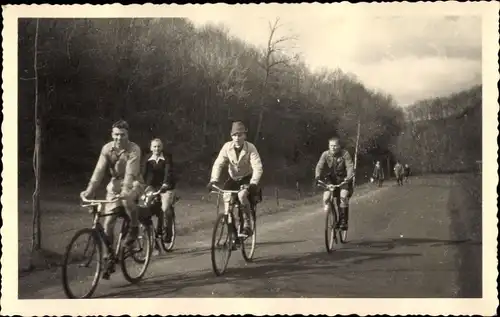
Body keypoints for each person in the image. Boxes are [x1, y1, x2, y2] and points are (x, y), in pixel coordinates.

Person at [81, 120, 145, 277]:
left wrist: (125, 191)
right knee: (108, 222)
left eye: (122, 135)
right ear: (112, 134)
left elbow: (130, 173)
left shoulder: (134, 149)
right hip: (115, 184)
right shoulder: (107, 149)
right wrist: (89, 191)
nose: (119, 138)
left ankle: (134, 228)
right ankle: (109, 255)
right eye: (116, 134)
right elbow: (98, 172)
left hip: (134, 183)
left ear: (127, 135)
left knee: (126, 199)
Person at [207, 121, 263, 236]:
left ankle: (247, 224)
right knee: (227, 202)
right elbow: (219, 163)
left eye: (240, 135)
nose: (237, 138)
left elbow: (258, 167)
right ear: (231, 136)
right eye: (234, 135)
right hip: (233, 179)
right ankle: (232, 233)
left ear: (244, 136)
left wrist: (253, 183)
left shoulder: (251, 148)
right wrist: (213, 180)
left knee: (242, 196)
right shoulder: (227, 147)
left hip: (247, 178)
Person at [315, 137, 354, 230]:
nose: (333, 148)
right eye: (331, 146)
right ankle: (333, 216)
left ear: (339, 146)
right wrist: (317, 176)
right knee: (326, 198)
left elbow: (350, 166)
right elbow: (319, 165)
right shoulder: (325, 154)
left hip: (343, 179)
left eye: (335, 145)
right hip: (330, 179)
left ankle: (344, 222)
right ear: (329, 146)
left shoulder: (345, 154)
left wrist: (348, 178)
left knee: (343, 197)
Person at [141, 138, 176, 243]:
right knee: (144, 206)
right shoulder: (147, 159)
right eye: (154, 146)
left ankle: (167, 234)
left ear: (162, 147)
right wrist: (141, 186)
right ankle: (147, 231)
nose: (157, 148)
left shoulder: (167, 158)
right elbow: (142, 173)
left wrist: (165, 183)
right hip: (152, 186)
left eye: (159, 146)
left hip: (166, 186)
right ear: (151, 148)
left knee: (165, 208)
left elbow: (168, 172)